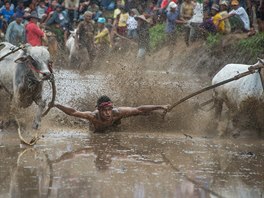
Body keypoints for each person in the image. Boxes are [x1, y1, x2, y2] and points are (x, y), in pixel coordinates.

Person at [50, 95, 170, 132]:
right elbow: (73, 112)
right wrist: (56, 104)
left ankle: (156, 115)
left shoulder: (116, 113)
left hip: (113, 127)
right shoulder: (92, 116)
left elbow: (139, 108)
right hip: (96, 131)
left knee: (140, 113)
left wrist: (160, 106)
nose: (108, 113)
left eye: (109, 110)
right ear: (98, 109)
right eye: (104, 110)